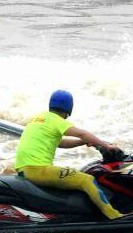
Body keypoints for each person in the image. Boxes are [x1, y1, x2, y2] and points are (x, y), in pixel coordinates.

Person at [15, 89, 126, 219]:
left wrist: (81, 142)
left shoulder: (39, 119)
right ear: (69, 108)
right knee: (87, 179)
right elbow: (82, 133)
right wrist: (106, 146)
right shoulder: (57, 120)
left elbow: (59, 143)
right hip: (38, 170)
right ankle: (114, 215)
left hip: (24, 169)